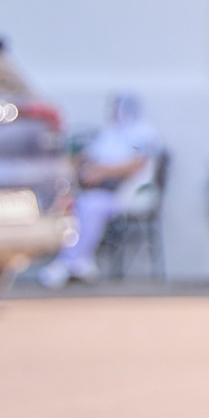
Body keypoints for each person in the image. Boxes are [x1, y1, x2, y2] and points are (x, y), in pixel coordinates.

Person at [37, 92, 161, 285]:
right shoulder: (110, 132)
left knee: (91, 206)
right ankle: (77, 261)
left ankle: (71, 261)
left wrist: (103, 172)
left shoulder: (142, 132)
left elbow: (137, 164)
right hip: (99, 192)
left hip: (129, 194)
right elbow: (89, 156)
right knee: (78, 205)